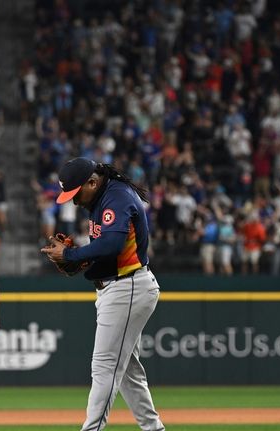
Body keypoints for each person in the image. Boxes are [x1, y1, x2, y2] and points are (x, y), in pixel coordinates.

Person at [40, 157, 165, 431]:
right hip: (121, 286)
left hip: (127, 286)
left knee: (104, 366)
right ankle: (154, 429)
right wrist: (79, 260)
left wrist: (72, 254)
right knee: (129, 372)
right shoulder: (103, 198)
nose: (73, 201)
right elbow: (108, 251)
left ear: (93, 182)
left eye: (76, 192)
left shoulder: (116, 196)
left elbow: (111, 244)